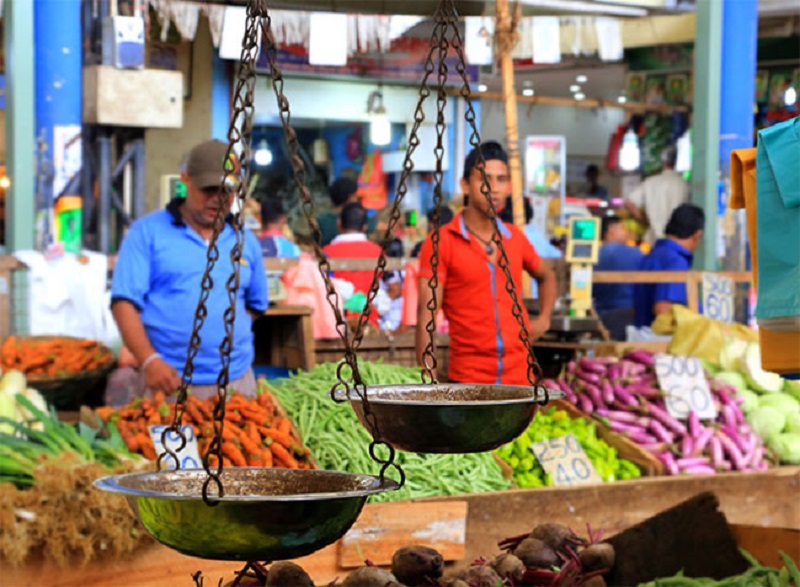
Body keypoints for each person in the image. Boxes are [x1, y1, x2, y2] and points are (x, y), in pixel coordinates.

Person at [111, 140, 268, 399]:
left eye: (226, 191)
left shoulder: (245, 241)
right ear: (186, 181)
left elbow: (255, 305)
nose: (217, 199)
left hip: (236, 384)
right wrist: (149, 360)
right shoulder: (147, 233)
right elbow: (124, 303)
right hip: (167, 383)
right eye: (208, 189)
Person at [415, 141, 557, 385]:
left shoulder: (515, 238)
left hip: (520, 377)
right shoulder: (441, 242)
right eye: (485, 179)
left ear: (509, 187)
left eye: (502, 179)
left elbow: (546, 275)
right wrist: (428, 379)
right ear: (465, 185)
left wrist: (544, 320)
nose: (494, 188)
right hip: (469, 379)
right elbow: (426, 317)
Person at [633, 203, 705, 328]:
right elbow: (663, 310)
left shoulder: (653, 255)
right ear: (697, 235)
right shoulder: (675, 262)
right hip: (662, 343)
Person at [624, 146, 689, 245]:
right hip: (676, 242)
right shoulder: (684, 184)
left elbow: (629, 203)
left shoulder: (650, 182)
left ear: (663, 162)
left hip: (653, 241)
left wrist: (644, 220)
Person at [593, 216, 644, 340]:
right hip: (633, 317)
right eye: (623, 228)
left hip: (601, 319)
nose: (627, 232)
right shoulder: (636, 253)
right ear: (611, 230)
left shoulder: (594, 255)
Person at [323, 202, 382, 295]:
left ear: (339, 223)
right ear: (364, 227)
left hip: (336, 308)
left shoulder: (326, 252)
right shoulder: (378, 252)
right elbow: (393, 286)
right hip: (370, 309)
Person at [317, 177, 376, 247]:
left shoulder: (320, 221)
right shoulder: (357, 216)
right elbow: (385, 227)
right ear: (350, 197)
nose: (358, 199)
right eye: (356, 196)